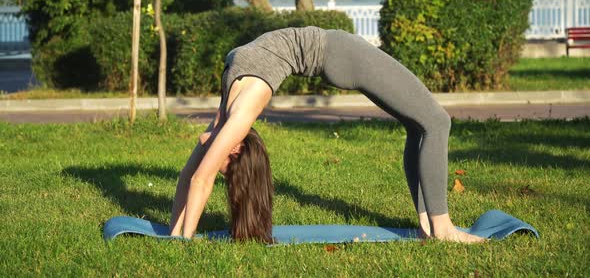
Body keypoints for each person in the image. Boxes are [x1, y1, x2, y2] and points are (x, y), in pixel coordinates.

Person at [169, 26, 484, 243]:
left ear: (234, 149)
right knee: (434, 122)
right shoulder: (233, 114)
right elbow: (192, 173)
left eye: (220, 162)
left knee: (429, 123)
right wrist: (175, 236)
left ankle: (434, 225)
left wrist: (183, 240)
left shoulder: (237, 118)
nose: (212, 156)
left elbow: (198, 178)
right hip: (337, 54)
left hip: (343, 53)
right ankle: (438, 227)